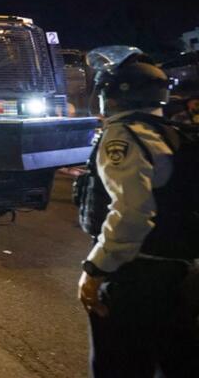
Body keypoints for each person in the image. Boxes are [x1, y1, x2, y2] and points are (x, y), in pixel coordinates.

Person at [78, 47, 199, 377]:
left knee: (119, 367)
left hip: (136, 277)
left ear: (113, 95)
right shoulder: (168, 132)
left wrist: (95, 269)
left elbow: (131, 213)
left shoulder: (122, 135)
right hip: (180, 273)